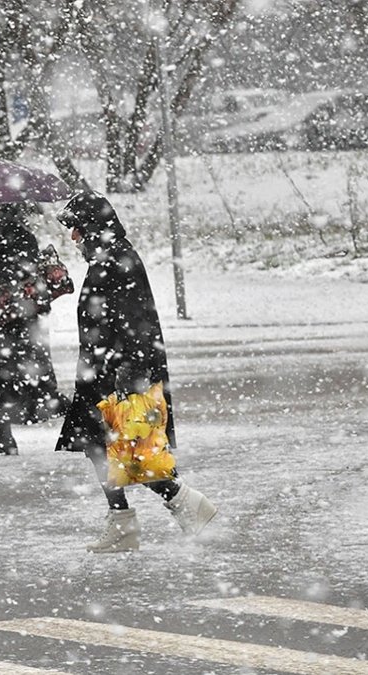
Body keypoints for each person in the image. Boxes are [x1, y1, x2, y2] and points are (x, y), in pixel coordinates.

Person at [55, 190, 217, 552]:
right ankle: (135, 517)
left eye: (77, 227)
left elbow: (136, 323)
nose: (73, 236)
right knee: (102, 446)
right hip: (102, 371)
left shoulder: (117, 261)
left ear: (93, 226)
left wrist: (130, 373)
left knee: (126, 448)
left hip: (115, 374)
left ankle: (169, 506)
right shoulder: (107, 259)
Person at [0, 202, 65, 456]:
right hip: (28, 314)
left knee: (5, 374)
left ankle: (5, 435)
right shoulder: (24, 236)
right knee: (30, 373)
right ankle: (6, 433)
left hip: (11, 316)